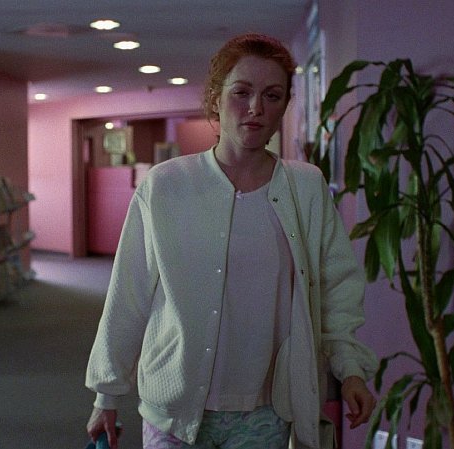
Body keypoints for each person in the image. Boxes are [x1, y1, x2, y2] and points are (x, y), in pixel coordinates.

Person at [85, 34, 378, 449]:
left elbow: (337, 290)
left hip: (265, 411)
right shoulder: (165, 186)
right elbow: (128, 295)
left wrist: (351, 370)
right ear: (215, 98)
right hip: (174, 407)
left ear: (284, 106)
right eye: (242, 92)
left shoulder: (306, 188)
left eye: (272, 96)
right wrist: (106, 394)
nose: (256, 107)